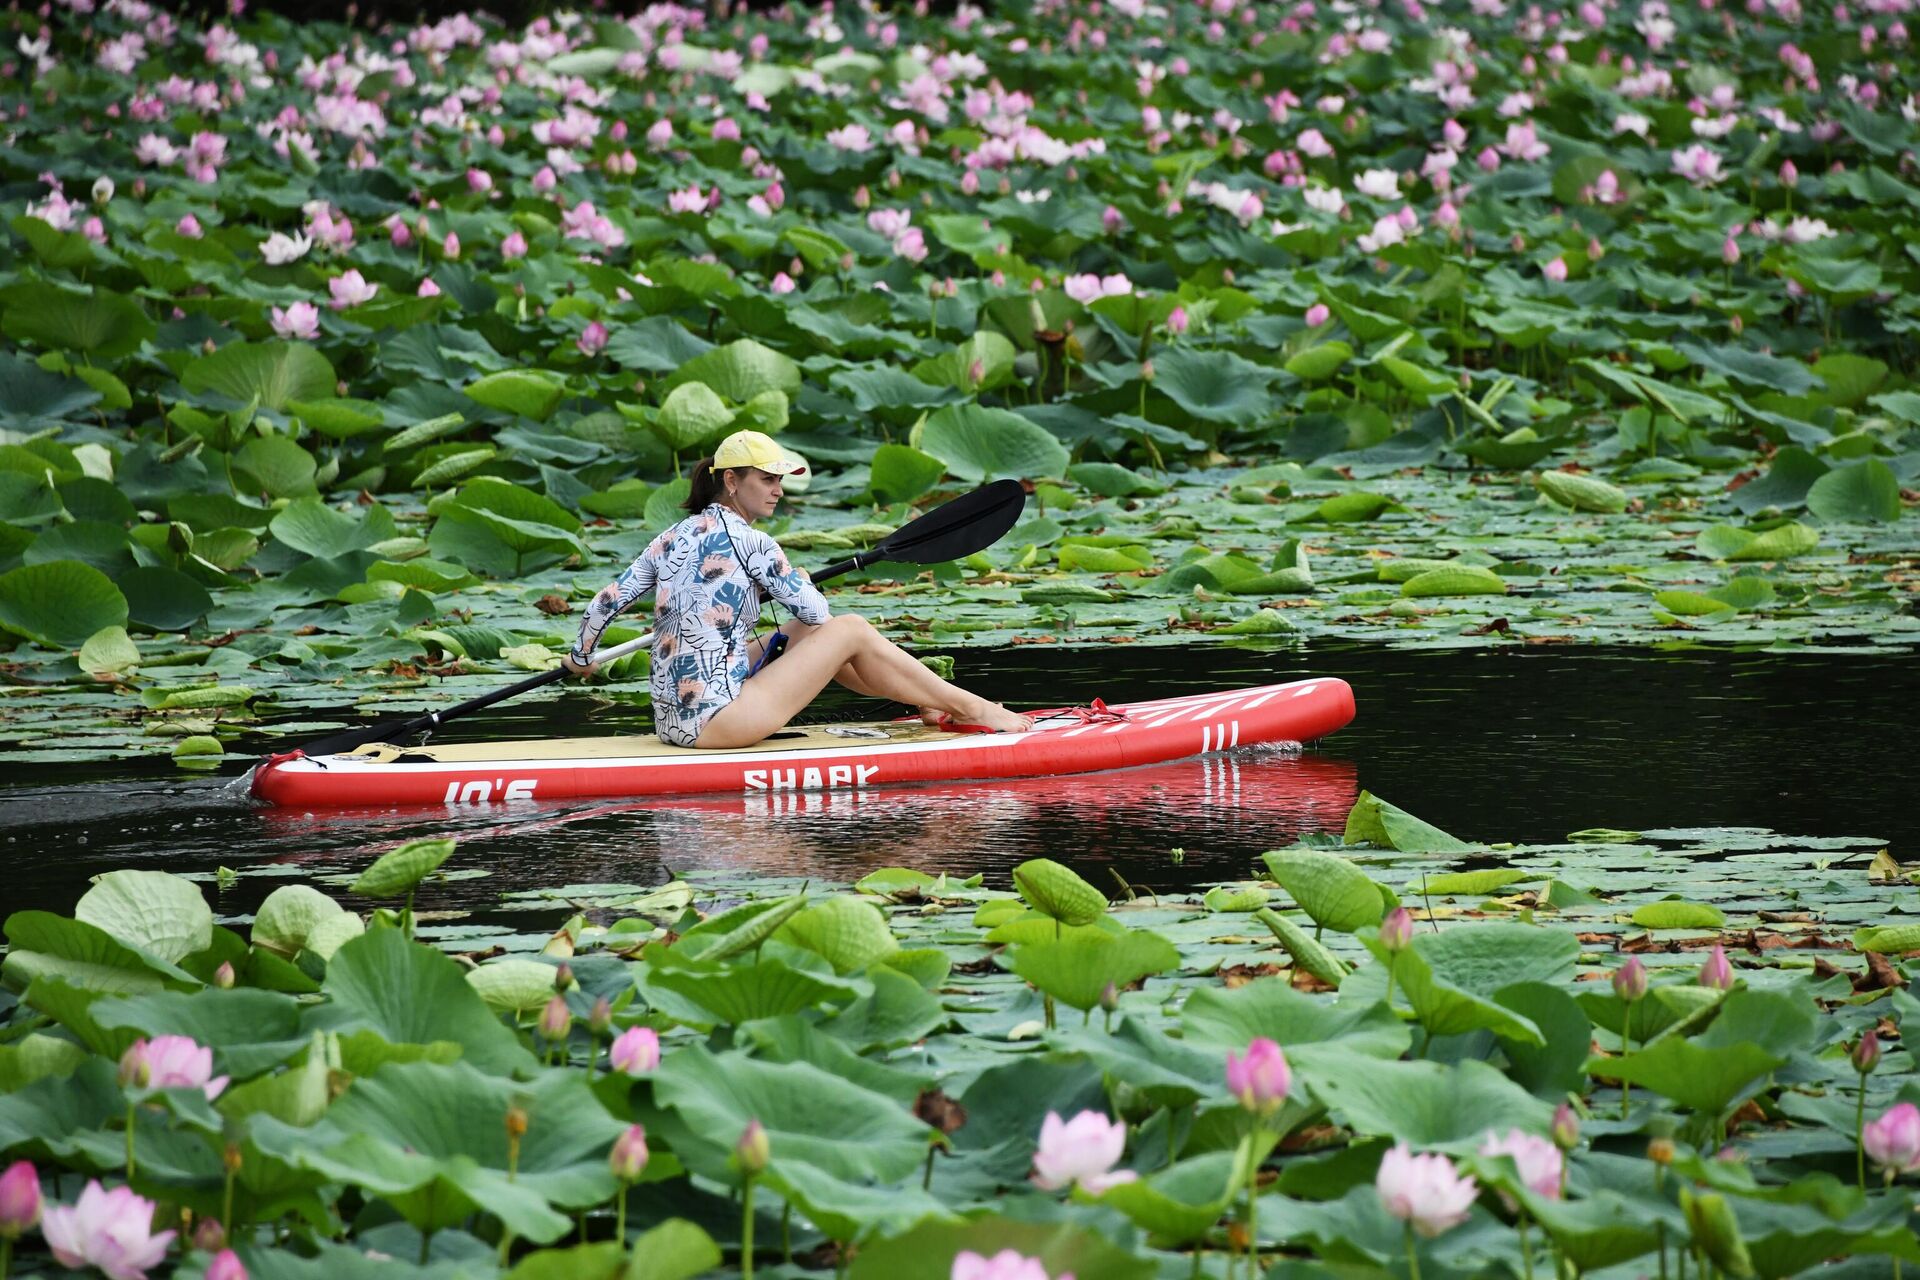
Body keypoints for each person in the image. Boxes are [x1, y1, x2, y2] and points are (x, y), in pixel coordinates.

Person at [562, 429, 1031, 749]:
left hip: (671, 722)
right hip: (720, 722)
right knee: (849, 629)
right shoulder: (754, 542)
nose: (778, 490)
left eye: (779, 480)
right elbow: (818, 613)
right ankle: (971, 706)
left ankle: (930, 702)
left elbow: (606, 601)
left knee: (803, 635)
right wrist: (799, 584)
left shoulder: (667, 539)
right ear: (731, 480)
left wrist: (582, 657)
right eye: (767, 480)